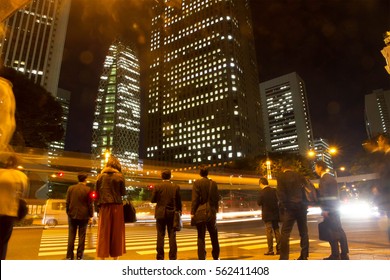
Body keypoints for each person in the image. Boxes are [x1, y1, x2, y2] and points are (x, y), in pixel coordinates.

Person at [315, 160, 349, 260]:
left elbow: (324, 195)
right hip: (335, 207)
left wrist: (325, 209)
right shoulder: (332, 178)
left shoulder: (324, 179)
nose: (315, 170)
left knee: (332, 231)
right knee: (339, 229)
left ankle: (335, 255)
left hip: (329, 209)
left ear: (320, 167)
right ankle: (344, 253)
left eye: (316, 167)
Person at [276, 161, 309, 260]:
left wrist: (285, 205)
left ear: (283, 168)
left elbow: (280, 193)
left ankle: (284, 257)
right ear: (292, 168)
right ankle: (304, 255)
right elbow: (306, 190)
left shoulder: (281, 177)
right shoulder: (300, 176)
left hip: (289, 208)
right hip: (302, 207)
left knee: (285, 233)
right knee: (303, 232)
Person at [95, 155, 126, 260]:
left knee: (103, 231)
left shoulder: (100, 176)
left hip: (104, 206)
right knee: (116, 231)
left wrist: (97, 208)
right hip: (117, 206)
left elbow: (96, 193)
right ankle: (115, 257)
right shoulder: (119, 176)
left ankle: (102, 257)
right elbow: (123, 192)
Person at [0, 154, 28, 260]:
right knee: (2, 242)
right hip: (8, 213)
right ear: (17, 164)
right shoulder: (20, 176)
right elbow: (23, 194)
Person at [151, 169, 182, 260]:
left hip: (160, 213)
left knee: (160, 235)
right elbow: (179, 202)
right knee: (172, 236)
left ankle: (160, 257)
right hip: (172, 214)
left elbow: (153, 200)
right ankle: (173, 257)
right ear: (170, 176)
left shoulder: (157, 186)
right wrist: (179, 212)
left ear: (162, 176)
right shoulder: (175, 187)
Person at [191, 164, 220, 260]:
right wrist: (216, 210)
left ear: (200, 173)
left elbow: (195, 200)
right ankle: (216, 256)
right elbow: (216, 199)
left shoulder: (197, 183)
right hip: (211, 212)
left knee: (201, 236)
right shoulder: (214, 183)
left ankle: (202, 258)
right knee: (214, 235)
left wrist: (192, 212)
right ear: (207, 173)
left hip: (200, 212)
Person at [65, 172, 93, 260]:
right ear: (85, 179)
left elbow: (67, 202)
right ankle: (79, 255)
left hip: (72, 215)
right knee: (82, 236)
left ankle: (69, 256)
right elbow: (90, 204)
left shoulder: (71, 188)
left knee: (71, 236)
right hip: (84, 216)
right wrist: (91, 216)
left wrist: (68, 212)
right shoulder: (88, 189)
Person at [257, 177, 280, 256]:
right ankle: (279, 249)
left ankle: (270, 250)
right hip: (275, 214)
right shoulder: (274, 190)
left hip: (267, 215)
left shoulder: (262, 192)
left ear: (261, 183)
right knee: (277, 231)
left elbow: (259, 203)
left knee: (269, 232)